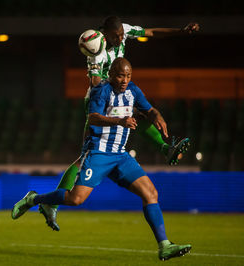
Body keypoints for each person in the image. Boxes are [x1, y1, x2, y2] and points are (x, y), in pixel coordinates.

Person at [12, 58, 191, 261]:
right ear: (112, 74)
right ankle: (33, 199)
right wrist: (120, 121)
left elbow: (148, 110)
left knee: (151, 193)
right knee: (75, 199)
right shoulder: (102, 91)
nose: (125, 80)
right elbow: (93, 117)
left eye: (128, 75)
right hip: (98, 152)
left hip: (120, 156)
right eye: (121, 75)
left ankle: (164, 245)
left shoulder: (133, 90)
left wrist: (157, 115)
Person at [38, 16, 199, 231]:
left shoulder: (124, 30)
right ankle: (164, 147)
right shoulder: (97, 48)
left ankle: (164, 147)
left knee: (134, 119)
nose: (121, 38)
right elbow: (96, 83)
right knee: (88, 153)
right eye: (117, 36)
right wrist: (111, 96)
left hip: (117, 90)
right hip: (100, 98)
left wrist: (180, 30)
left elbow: (151, 32)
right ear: (105, 33)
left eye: (122, 34)